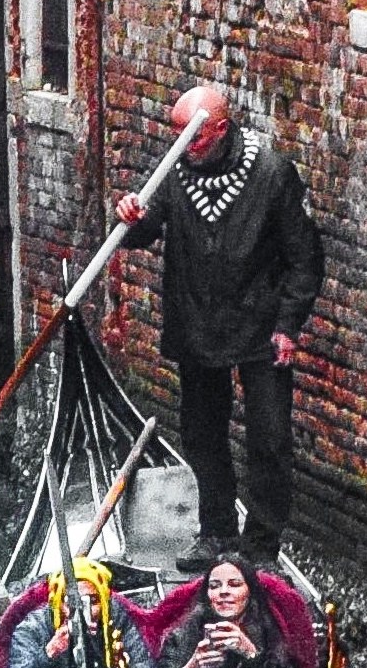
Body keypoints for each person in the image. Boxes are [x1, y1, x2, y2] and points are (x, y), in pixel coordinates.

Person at [115, 84, 323, 567]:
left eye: (192, 137)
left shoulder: (271, 173)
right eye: (177, 137)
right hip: (198, 323)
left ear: (221, 130)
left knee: (269, 438)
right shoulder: (174, 170)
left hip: (262, 325)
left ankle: (261, 547)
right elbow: (144, 230)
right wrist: (129, 217)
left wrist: (288, 324)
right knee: (202, 433)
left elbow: (305, 257)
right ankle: (217, 532)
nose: (183, 147)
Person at [150, 557, 302, 668]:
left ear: (250, 593)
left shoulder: (271, 638)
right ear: (208, 596)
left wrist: (252, 656)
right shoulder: (182, 636)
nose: (223, 592)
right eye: (214, 586)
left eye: (234, 585)